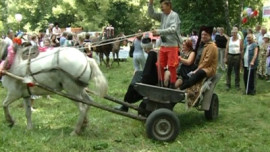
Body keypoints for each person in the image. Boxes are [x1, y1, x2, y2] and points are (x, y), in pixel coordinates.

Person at [116, 36, 158, 112]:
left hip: (150, 80)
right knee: (137, 73)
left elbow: (147, 72)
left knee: (132, 86)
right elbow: (148, 69)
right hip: (153, 76)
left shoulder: (151, 55)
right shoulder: (153, 52)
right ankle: (125, 105)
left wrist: (142, 80)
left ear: (145, 48)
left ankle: (125, 106)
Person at [148, 0, 181, 88]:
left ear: (169, 5)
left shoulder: (174, 15)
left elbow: (173, 29)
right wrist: (150, 3)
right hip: (163, 45)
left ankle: (172, 85)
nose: (161, 8)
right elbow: (151, 14)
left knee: (171, 66)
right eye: (161, 6)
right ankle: (161, 83)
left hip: (172, 45)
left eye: (163, 6)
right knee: (159, 65)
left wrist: (159, 31)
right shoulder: (162, 15)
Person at [179, 26, 218, 90]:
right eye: (202, 34)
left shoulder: (212, 46)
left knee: (197, 73)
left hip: (208, 68)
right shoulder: (202, 44)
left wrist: (195, 71)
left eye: (205, 34)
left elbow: (206, 62)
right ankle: (187, 84)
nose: (203, 36)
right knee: (184, 68)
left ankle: (181, 88)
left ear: (210, 35)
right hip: (200, 66)